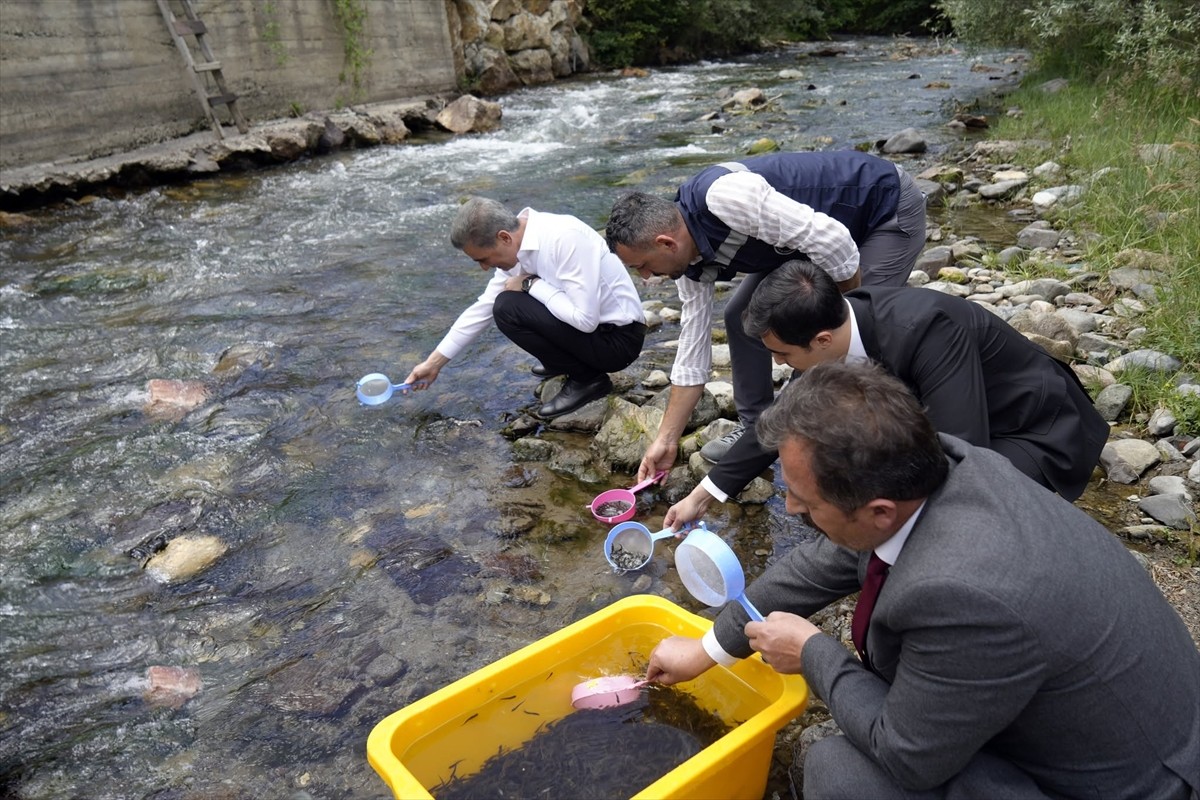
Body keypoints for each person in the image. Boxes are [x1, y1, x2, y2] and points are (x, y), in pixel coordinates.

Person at [647, 360, 1200, 800]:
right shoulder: (946, 465)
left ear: (878, 512)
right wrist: (707, 649)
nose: (790, 509)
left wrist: (813, 652)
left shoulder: (965, 596)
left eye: (805, 502)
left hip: (1134, 784)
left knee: (840, 772)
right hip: (1108, 720)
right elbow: (820, 564)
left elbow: (907, 758)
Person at [663, 260, 1109, 529]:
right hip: (960, 417)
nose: (779, 365)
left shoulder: (928, 330)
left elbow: (963, 449)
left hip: (1032, 427)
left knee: (943, 512)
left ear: (821, 340)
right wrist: (702, 496)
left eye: (782, 354)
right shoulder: (835, 330)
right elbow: (780, 420)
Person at [605, 150, 926, 469]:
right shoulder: (688, 265)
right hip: (814, 239)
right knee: (741, 316)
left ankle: (883, 430)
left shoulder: (725, 199)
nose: (644, 277)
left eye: (642, 266)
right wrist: (666, 439)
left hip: (883, 209)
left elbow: (835, 243)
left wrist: (836, 314)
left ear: (666, 243)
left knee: (846, 330)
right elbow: (692, 353)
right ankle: (758, 431)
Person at [403, 197, 646, 418]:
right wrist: (433, 363)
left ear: (504, 238)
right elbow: (482, 309)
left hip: (618, 342)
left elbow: (585, 320)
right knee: (501, 303)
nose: (484, 268)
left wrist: (531, 284)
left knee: (508, 307)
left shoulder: (564, 238)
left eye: (483, 259)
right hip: (594, 333)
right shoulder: (517, 248)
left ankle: (588, 380)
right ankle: (563, 362)